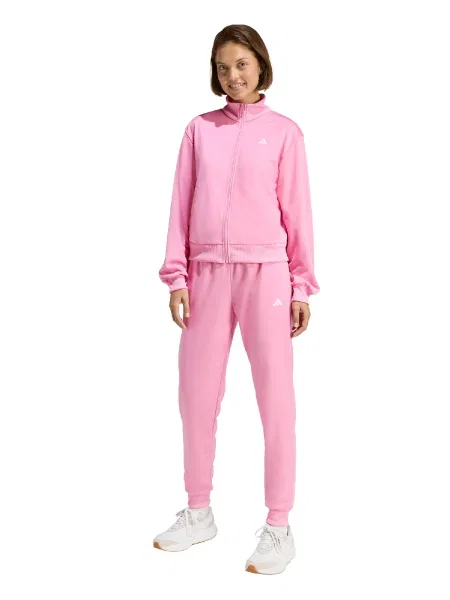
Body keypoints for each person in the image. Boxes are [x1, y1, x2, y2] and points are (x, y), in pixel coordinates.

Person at [153, 24, 320, 575]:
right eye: (223, 67)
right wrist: (177, 277)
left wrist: (301, 284)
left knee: (276, 400)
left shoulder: (285, 133)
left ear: (261, 65)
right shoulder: (198, 130)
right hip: (205, 275)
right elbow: (180, 205)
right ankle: (198, 511)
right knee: (196, 396)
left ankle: (279, 525)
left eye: (242, 64)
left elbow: (298, 212)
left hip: (268, 276)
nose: (233, 76)